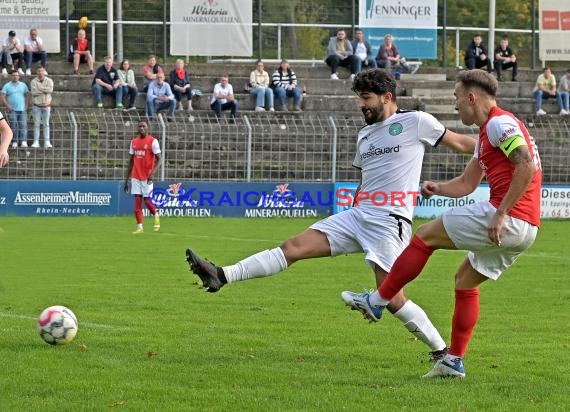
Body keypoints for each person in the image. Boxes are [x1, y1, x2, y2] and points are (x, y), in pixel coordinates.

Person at [186, 69, 476, 360]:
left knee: (391, 298)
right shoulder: (365, 134)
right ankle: (222, 275)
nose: (360, 104)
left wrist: (503, 146)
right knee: (292, 247)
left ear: (387, 97)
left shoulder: (415, 122)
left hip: (389, 221)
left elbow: (463, 144)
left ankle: (444, 354)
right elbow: (366, 179)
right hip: (358, 215)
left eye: (366, 98)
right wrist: (354, 208)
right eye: (359, 98)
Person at [342, 70, 542, 379]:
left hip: (509, 217)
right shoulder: (487, 134)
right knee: (464, 280)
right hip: (527, 228)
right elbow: (466, 184)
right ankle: (453, 362)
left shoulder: (501, 123)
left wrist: (501, 213)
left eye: (457, 99)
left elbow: (525, 166)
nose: (455, 105)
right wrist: (438, 188)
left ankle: (378, 300)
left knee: (424, 237)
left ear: (471, 97)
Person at [123, 121, 161, 235]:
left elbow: (160, 159)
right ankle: (140, 227)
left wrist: (152, 173)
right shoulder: (133, 142)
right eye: (140, 126)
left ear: (148, 128)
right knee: (137, 202)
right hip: (135, 176)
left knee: (147, 201)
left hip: (147, 177)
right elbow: (130, 161)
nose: (141, 128)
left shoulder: (153, 141)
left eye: (143, 126)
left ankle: (156, 215)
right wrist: (126, 180)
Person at [0, 70, 30, 148]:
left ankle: (23, 141)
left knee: (23, 125)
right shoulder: (7, 85)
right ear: (11, 76)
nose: (15, 77)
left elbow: (27, 95)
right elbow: (2, 95)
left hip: (22, 109)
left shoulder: (23, 85)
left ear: (19, 76)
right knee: (13, 125)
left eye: (16, 75)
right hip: (12, 110)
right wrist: (7, 105)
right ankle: (14, 141)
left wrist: (26, 105)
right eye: (13, 75)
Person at [30, 66, 53, 148]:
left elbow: (50, 90)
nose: (40, 72)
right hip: (37, 106)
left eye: (42, 71)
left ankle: (47, 141)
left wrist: (39, 89)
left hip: (46, 106)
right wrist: (44, 90)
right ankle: (36, 141)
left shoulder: (49, 80)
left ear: (44, 72)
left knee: (46, 124)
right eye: (39, 71)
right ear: (37, 72)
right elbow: (34, 92)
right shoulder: (33, 81)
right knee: (36, 124)